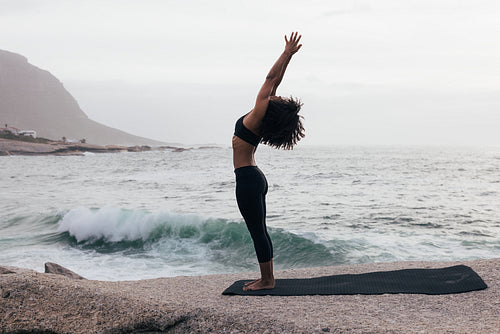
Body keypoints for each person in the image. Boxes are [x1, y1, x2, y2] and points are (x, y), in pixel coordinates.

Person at [233, 32, 305, 291]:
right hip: (254, 177)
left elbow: (270, 79)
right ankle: (266, 277)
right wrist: (290, 58)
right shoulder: (261, 116)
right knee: (260, 229)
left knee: (257, 231)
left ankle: (267, 279)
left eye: (280, 98)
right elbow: (275, 83)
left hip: (248, 180)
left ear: (273, 106)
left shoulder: (258, 113)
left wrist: (286, 53)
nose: (278, 95)